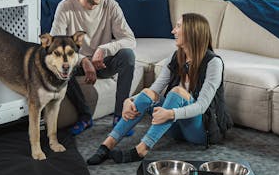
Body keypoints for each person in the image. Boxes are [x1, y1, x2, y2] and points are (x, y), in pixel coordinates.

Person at [86, 13, 232, 165]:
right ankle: (106, 146)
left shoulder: (213, 63)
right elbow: (154, 90)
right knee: (147, 93)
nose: (173, 31)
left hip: (201, 131)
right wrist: (129, 100)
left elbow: (202, 106)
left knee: (177, 92)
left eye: (178, 26)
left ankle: (141, 149)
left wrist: (170, 113)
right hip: (174, 125)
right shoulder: (175, 57)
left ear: (192, 31)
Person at [50, 0, 136, 135]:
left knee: (128, 56)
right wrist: (83, 60)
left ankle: (120, 116)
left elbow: (129, 39)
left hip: (102, 63)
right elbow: (55, 45)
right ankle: (85, 117)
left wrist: (104, 49)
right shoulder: (66, 7)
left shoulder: (110, 5)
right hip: (77, 64)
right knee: (59, 64)